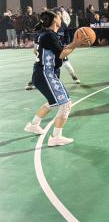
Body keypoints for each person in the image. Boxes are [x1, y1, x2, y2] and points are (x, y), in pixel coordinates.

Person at [23, 10, 84, 146]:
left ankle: (34, 125)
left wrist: (73, 44)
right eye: (59, 17)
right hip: (46, 73)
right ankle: (56, 137)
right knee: (66, 104)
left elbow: (52, 51)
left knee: (54, 102)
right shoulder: (50, 35)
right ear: (55, 20)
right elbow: (62, 54)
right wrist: (76, 43)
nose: (61, 19)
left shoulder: (46, 34)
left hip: (41, 73)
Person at [53, 8, 81, 84]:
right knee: (43, 65)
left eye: (59, 14)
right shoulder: (51, 25)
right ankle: (34, 81)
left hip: (61, 48)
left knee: (66, 63)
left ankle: (74, 76)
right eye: (56, 14)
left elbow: (67, 36)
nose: (57, 15)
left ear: (61, 15)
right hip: (52, 48)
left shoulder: (63, 25)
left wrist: (67, 44)